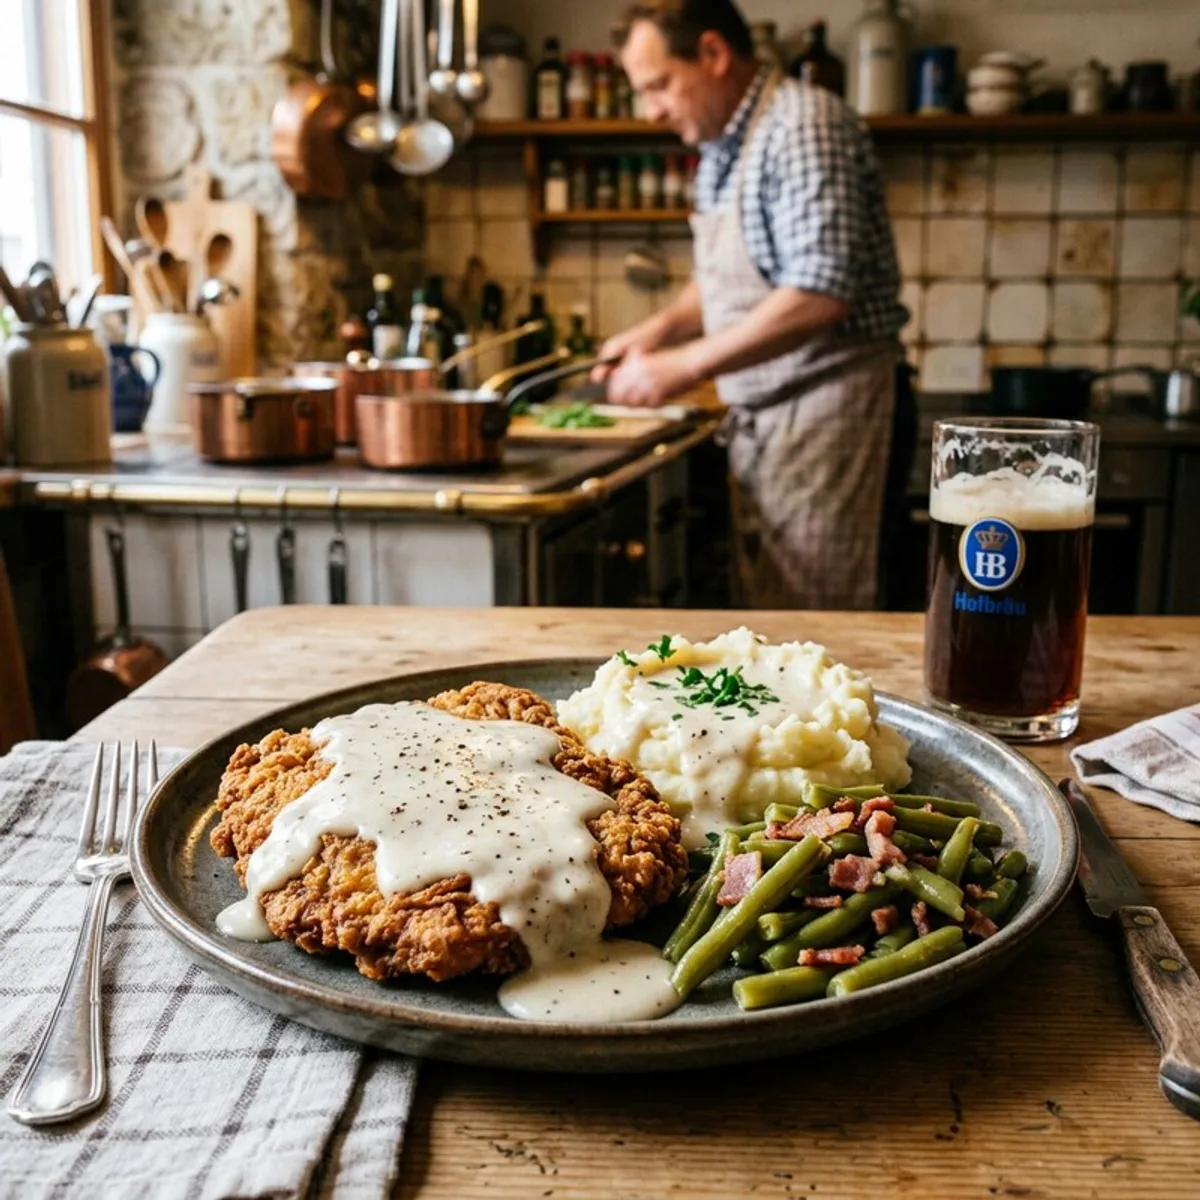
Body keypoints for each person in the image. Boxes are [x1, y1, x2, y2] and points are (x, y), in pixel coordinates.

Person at [597, 0, 912, 610]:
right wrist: (658, 331)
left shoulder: (802, 126)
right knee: (778, 620)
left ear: (713, 54)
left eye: (659, 85)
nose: (651, 110)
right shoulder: (726, 147)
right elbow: (731, 280)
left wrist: (684, 366)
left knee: (825, 623)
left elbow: (820, 290)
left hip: (830, 416)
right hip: (773, 419)